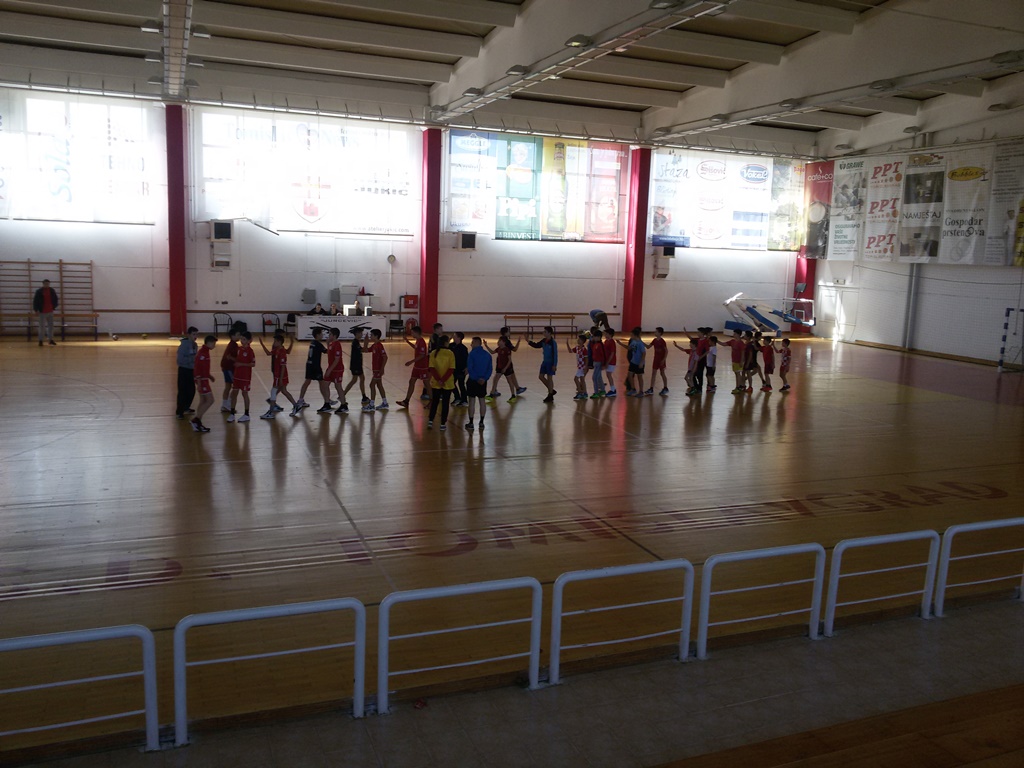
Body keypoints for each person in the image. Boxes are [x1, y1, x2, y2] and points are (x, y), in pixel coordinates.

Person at [258, 332, 297, 419]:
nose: (274, 343)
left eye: (275, 341)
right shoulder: (277, 349)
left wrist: (280, 379)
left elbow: (283, 366)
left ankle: (271, 412)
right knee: (283, 391)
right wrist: (262, 344)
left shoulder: (281, 352)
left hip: (279, 375)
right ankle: (295, 405)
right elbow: (268, 353)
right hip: (278, 375)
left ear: (279, 342)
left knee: (274, 391)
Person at [295, 327, 332, 414]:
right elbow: (327, 352)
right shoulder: (318, 344)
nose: (322, 335)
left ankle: (301, 399)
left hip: (309, 364)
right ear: (318, 335)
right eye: (321, 334)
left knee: (307, 382)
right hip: (315, 366)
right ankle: (327, 400)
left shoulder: (312, 342)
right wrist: (329, 344)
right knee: (322, 383)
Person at [396, 325, 430, 409]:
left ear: (416, 332)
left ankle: (432, 401)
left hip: (422, 367)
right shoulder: (418, 341)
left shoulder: (422, 342)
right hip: (417, 366)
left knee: (426, 384)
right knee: (411, 382)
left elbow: (422, 355)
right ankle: (406, 401)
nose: (411, 334)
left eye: (412, 332)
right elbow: (416, 348)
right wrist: (407, 341)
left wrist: (411, 361)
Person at [427, 334, 456, 430]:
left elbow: (432, 368)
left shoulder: (433, 353)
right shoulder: (450, 353)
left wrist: (438, 380)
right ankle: (442, 423)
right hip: (447, 383)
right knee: (445, 403)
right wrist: (443, 380)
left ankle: (430, 420)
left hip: (436, 383)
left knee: (435, 402)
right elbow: (451, 369)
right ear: (446, 343)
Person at [226, 331, 255, 422]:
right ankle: (232, 413)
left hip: (245, 376)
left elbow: (253, 364)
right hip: (237, 375)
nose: (242, 341)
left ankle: (246, 414)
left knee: (244, 393)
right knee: (234, 393)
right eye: (241, 339)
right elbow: (238, 360)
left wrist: (241, 364)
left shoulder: (250, 351)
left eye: (244, 339)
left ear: (249, 341)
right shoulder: (239, 349)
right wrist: (231, 358)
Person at [190, 334, 218, 433]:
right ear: (209, 343)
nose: (214, 345)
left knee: (202, 401)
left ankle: (198, 423)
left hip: (204, 379)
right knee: (210, 400)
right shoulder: (202, 354)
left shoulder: (205, 352)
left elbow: (204, 368)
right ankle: (196, 420)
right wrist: (199, 382)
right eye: (213, 343)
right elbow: (197, 368)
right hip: (202, 381)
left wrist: (209, 376)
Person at [465, 336, 492, 431]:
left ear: (476, 343)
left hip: (473, 381)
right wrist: (484, 378)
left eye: (472, 343)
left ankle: (471, 422)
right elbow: (490, 369)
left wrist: (476, 378)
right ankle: (481, 422)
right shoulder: (487, 355)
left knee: (471, 402)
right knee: (482, 401)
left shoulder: (471, 355)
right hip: (483, 382)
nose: (471, 344)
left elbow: (470, 368)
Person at [527, 326, 558, 403]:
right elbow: (537, 345)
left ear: (549, 333)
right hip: (545, 362)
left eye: (545, 332)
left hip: (550, 362)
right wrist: (529, 341)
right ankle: (551, 390)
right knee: (541, 376)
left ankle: (550, 395)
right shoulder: (544, 341)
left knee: (549, 378)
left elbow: (555, 354)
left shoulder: (553, 342)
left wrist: (554, 365)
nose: (543, 333)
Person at [323, 326, 350, 414]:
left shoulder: (337, 344)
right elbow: (329, 353)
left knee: (338, 386)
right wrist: (327, 344)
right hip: (331, 368)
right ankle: (327, 404)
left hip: (337, 369)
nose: (328, 336)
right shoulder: (331, 344)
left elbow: (337, 359)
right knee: (325, 384)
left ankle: (344, 405)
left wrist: (330, 370)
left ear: (334, 336)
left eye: (330, 334)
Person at [175, 326, 199, 419]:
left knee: (191, 391)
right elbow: (180, 360)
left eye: (196, 334)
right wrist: (192, 359)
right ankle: (179, 412)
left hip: (191, 370)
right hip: (184, 370)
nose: (195, 336)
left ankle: (186, 407)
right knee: (182, 391)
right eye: (193, 334)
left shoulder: (195, 345)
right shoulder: (183, 346)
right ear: (188, 335)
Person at [341, 326, 369, 406]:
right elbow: (364, 349)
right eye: (361, 333)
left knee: (359, 379)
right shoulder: (355, 342)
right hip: (356, 365)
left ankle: (363, 396)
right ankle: (342, 395)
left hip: (357, 364)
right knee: (355, 380)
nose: (362, 334)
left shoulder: (356, 342)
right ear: (357, 334)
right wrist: (366, 342)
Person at [364, 328, 389, 411]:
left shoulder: (379, 346)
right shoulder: (374, 345)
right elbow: (366, 350)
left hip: (378, 370)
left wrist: (382, 369)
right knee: (379, 385)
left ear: (376, 336)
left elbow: (385, 357)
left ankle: (371, 404)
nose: (370, 336)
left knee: (372, 385)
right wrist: (366, 342)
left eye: (371, 335)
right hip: (375, 369)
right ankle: (385, 403)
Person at [219, 328, 241, 414]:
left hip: (227, 368)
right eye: (238, 335)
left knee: (228, 387)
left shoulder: (233, 345)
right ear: (232, 336)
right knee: (235, 386)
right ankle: (228, 404)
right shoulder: (233, 346)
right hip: (229, 368)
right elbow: (230, 357)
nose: (239, 336)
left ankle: (225, 405)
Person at [619, 327, 646, 396]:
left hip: (639, 363)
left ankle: (641, 391)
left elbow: (643, 353)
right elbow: (629, 348)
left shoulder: (640, 344)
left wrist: (641, 362)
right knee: (630, 375)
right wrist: (620, 344)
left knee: (639, 377)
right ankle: (633, 389)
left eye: (631, 335)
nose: (630, 336)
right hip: (633, 362)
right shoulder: (633, 342)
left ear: (635, 335)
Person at [33, 278, 59, 346]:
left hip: (50, 311)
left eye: (48, 284)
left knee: (51, 326)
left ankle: (50, 340)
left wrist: (54, 306)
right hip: (42, 311)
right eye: (45, 284)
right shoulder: (39, 291)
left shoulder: (52, 290)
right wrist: (36, 310)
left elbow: (56, 299)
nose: (47, 285)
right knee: (42, 326)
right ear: (43, 284)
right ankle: (41, 340)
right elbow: (35, 301)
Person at [645, 327, 669, 396]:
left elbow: (666, 351)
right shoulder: (654, 340)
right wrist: (641, 342)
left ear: (659, 333)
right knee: (653, 373)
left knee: (662, 373)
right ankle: (651, 388)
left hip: (661, 360)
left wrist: (663, 360)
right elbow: (648, 347)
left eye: (656, 331)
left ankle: (665, 387)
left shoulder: (662, 341)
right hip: (656, 359)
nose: (654, 332)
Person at [567, 332, 589, 400]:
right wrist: (567, 344)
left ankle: (580, 392)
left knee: (576, 379)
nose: (578, 340)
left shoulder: (584, 350)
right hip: (579, 366)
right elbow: (570, 351)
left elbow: (586, 359)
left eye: (579, 339)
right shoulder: (577, 348)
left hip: (582, 367)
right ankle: (584, 392)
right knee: (582, 380)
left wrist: (585, 367)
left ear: (582, 341)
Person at [451, 331, 469, 407]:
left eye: (454, 336)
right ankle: (457, 397)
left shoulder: (463, 348)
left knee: (461, 384)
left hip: (461, 369)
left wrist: (467, 368)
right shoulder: (451, 346)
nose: (453, 337)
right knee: (451, 383)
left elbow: (467, 359)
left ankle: (464, 400)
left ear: (459, 338)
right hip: (453, 368)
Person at [588, 328, 607, 399]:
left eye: (594, 337)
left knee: (594, 377)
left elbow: (603, 355)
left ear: (598, 337)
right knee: (599, 377)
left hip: (599, 363)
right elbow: (591, 349)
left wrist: (603, 364)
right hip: (595, 362)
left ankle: (596, 392)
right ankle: (602, 390)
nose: (593, 338)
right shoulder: (595, 344)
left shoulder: (600, 345)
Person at [603, 328, 618, 396]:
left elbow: (612, 353)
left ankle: (613, 389)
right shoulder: (606, 341)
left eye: (606, 334)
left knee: (609, 374)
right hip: (607, 360)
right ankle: (612, 389)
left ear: (610, 334)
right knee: (608, 374)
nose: (605, 335)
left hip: (611, 361)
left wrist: (607, 362)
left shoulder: (612, 342)